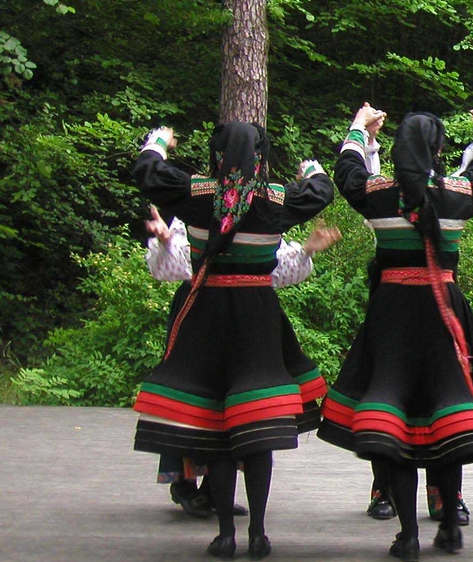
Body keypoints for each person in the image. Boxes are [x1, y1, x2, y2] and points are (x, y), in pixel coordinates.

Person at [320, 104, 473, 562]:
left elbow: (346, 172)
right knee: (446, 408)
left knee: (397, 415)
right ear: (440, 149)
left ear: (396, 148)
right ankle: (448, 524)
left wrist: (359, 128)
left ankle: (407, 534)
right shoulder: (457, 191)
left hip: (392, 316)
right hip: (445, 312)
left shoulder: (378, 192)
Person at [133, 122, 334, 560]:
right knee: (256, 426)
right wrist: (311, 167)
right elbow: (321, 191)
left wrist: (161, 142)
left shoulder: (195, 193)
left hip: (206, 313)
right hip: (258, 316)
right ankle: (258, 533)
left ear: (216, 154)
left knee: (216, 427)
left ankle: (225, 534)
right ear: (261, 156)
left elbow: (148, 171)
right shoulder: (278, 198)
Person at [144, 207, 340, 518]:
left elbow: (273, 271)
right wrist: (167, 242)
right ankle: (183, 484)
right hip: (201, 312)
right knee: (196, 398)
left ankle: (214, 490)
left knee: (241, 403)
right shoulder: (199, 203)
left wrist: (305, 250)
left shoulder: (261, 211)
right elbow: (174, 267)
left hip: (247, 316)